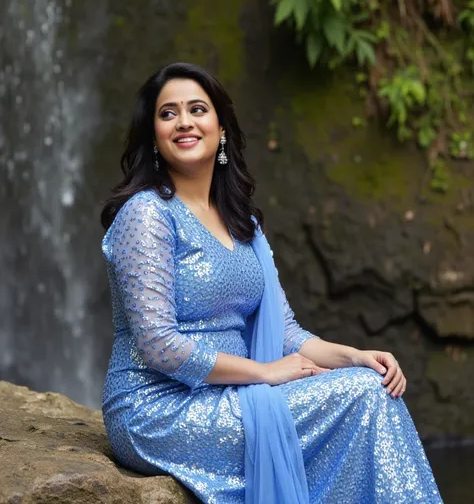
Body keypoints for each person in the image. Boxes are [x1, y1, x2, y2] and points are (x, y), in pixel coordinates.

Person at [100, 61, 443, 504]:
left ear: (220, 127)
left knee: (369, 383)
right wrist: (264, 374)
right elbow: (158, 345)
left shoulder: (243, 225)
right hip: (157, 408)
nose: (184, 121)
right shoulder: (148, 214)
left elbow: (285, 334)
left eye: (197, 109)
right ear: (153, 136)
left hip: (237, 391)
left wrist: (356, 356)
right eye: (168, 114)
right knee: (361, 397)